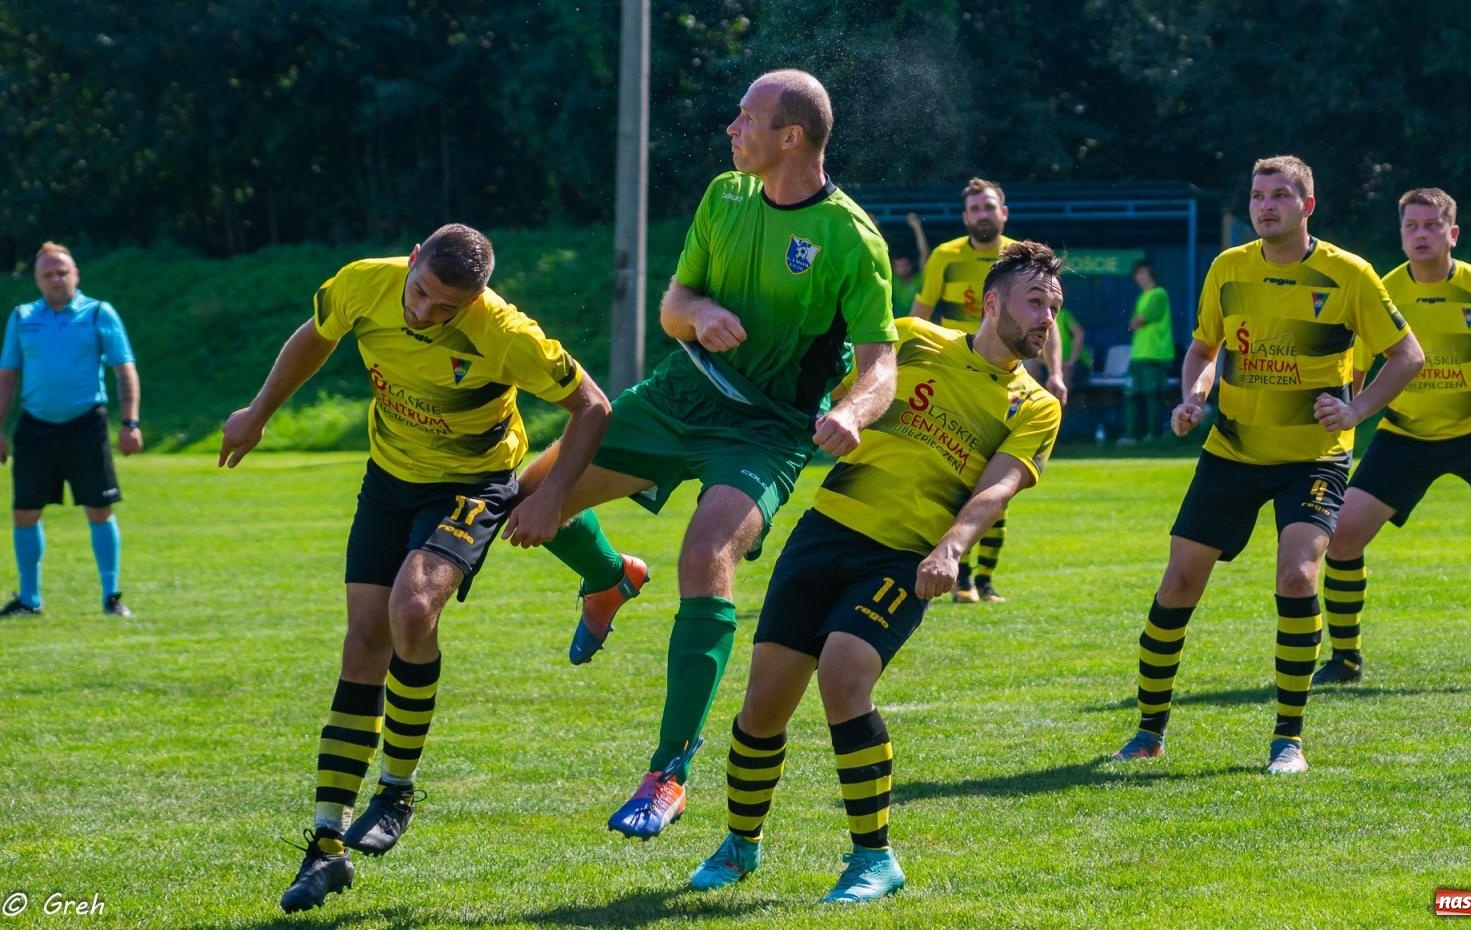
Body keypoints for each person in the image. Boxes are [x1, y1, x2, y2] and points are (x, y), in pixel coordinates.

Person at [502, 68, 898, 840]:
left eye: (747, 118)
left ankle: (668, 772)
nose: (731, 128)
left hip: (765, 430)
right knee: (530, 495)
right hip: (679, 396)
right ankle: (609, 577)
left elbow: (882, 363)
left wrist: (852, 411)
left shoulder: (851, 238)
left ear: (791, 136)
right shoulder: (725, 196)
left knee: (705, 552)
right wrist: (701, 312)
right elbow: (674, 306)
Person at [218, 224, 615, 913]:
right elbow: (316, 335)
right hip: (389, 478)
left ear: (476, 300)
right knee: (362, 644)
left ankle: (396, 790)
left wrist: (551, 496)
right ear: (411, 262)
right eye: (422, 292)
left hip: (471, 485)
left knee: (411, 608)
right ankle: (326, 846)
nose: (425, 312)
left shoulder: (506, 334)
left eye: (446, 307)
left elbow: (592, 405)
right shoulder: (363, 283)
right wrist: (259, 411)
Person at [686, 242, 1062, 903]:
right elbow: (829, 390)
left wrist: (951, 549)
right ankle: (740, 844)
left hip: (904, 556)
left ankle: (874, 859)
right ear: (990, 303)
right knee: (764, 704)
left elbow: (997, 488)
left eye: (1054, 307)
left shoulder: (1035, 406)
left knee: (844, 670)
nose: (1047, 319)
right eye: (1036, 303)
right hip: (826, 529)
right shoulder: (913, 339)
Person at [1110, 155, 1423, 775]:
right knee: (1178, 584)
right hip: (1232, 450)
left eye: (1280, 195)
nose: (1266, 206)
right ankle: (1148, 732)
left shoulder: (1349, 274)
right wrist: (1194, 397)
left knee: (1298, 577)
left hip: (1312, 458)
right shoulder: (1228, 268)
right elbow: (1204, 348)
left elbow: (1407, 354)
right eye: (1258, 196)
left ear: (1308, 205)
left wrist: (1357, 409)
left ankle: (1288, 741)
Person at [1312, 188, 1471, 689]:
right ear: (1401, 235)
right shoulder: (1384, 292)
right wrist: (1341, 432)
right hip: (1404, 434)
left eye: (1432, 225)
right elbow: (1357, 373)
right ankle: (1345, 661)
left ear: (1452, 233)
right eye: (1411, 226)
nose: (1421, 235)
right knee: (1341, 535)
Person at [913, 178, 1064, 603]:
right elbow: (921, 313)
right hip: (955, 380)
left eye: (989, 206)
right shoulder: (945, 256)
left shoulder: (1024, 265)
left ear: (1004, 212)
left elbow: (1048, 326)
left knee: (1001, 484)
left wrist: (1055, 373)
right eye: (976, 208)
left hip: (1007, 382)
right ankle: (961, 575)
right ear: (965, 217)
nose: (983, 214)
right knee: (959, 475)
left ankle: (984, 579)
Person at [0, 242, 142, 620]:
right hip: (35, 426)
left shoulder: (97, 313)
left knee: (99, 508)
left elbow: (124, 370)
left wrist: (130, 423)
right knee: (25, 511)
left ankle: (111, 597)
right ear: (37, 280)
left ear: (76, 274)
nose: (56, 279)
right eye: (47, 274)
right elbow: (7, 377)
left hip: (85, 425)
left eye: (62, 272)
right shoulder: (22, 317)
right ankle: (29, 599)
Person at [1117, 259, 1175, 445]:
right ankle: (1131, 435)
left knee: (1152, 395)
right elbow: (1133, 323)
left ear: (1151, 274)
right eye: (1137, 274)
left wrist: (1136, 322)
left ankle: (1153, 435)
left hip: (1155, 354)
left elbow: (1138, 321)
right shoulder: (1142, 297)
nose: (1140, 277)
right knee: (1131, 394)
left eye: (1143, 273)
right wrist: (1135, 322)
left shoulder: (1159, 294)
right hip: (1138, 354)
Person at [888, 212, 930, 317]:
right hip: (897, 323)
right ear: (894, 267)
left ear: (911, 264)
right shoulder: (893, 280)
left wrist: (917, 227)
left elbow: (924, 254)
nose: (902, 268)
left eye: (905, 264)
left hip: (917, 323)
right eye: (899, 265)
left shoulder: (919, 279)